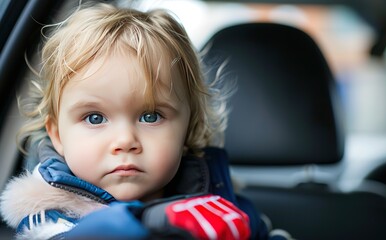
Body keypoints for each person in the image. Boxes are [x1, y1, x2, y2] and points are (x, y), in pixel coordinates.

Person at [0, 2, 289, 240]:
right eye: (95, 117)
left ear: (187, 128)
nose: (125, 140)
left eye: (151, 116)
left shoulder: (220, 198)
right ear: (58, 136)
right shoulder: (49, 213)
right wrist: (146, 224)